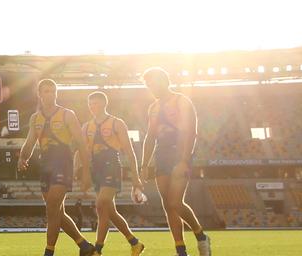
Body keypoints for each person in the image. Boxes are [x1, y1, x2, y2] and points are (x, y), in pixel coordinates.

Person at [18, 79, 95, 256]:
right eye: (46, 91)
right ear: (40, 94)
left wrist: (86, 171)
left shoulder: (67, 115)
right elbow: (30, 142)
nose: (51, 94)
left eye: (53, 91)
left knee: (51, 207)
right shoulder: (35, 118)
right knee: (57, 212)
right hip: (46, 166)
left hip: (63, 164)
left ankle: (49, 252)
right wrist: (23, 157)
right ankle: (84, 246)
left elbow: (82, 145)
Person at [140, 68, 211, 256]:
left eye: (154, 83)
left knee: (175, 202)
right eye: (148, 85)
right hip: (161, 155)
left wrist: (185, 160)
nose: (152, 88)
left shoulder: (182, 101)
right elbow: (149, 137)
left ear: (165, 81)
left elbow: (191, 132)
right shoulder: (153, 108)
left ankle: (201, 236)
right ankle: (180, 250)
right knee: (167, 203)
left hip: (180, 154)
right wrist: (144, 165)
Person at [83, 91, 145, 256]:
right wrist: (82, 171)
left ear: (104, 104)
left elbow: (130, 153)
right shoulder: (87, 127)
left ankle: (98, 249)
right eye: (90, 104)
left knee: (101, 203)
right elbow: (83, 152)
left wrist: (136, 178)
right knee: (109, 211)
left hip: (111, 166)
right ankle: (135, 243)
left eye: (95, 103)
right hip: (96, 169)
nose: (92, 107)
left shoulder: (116, 123)